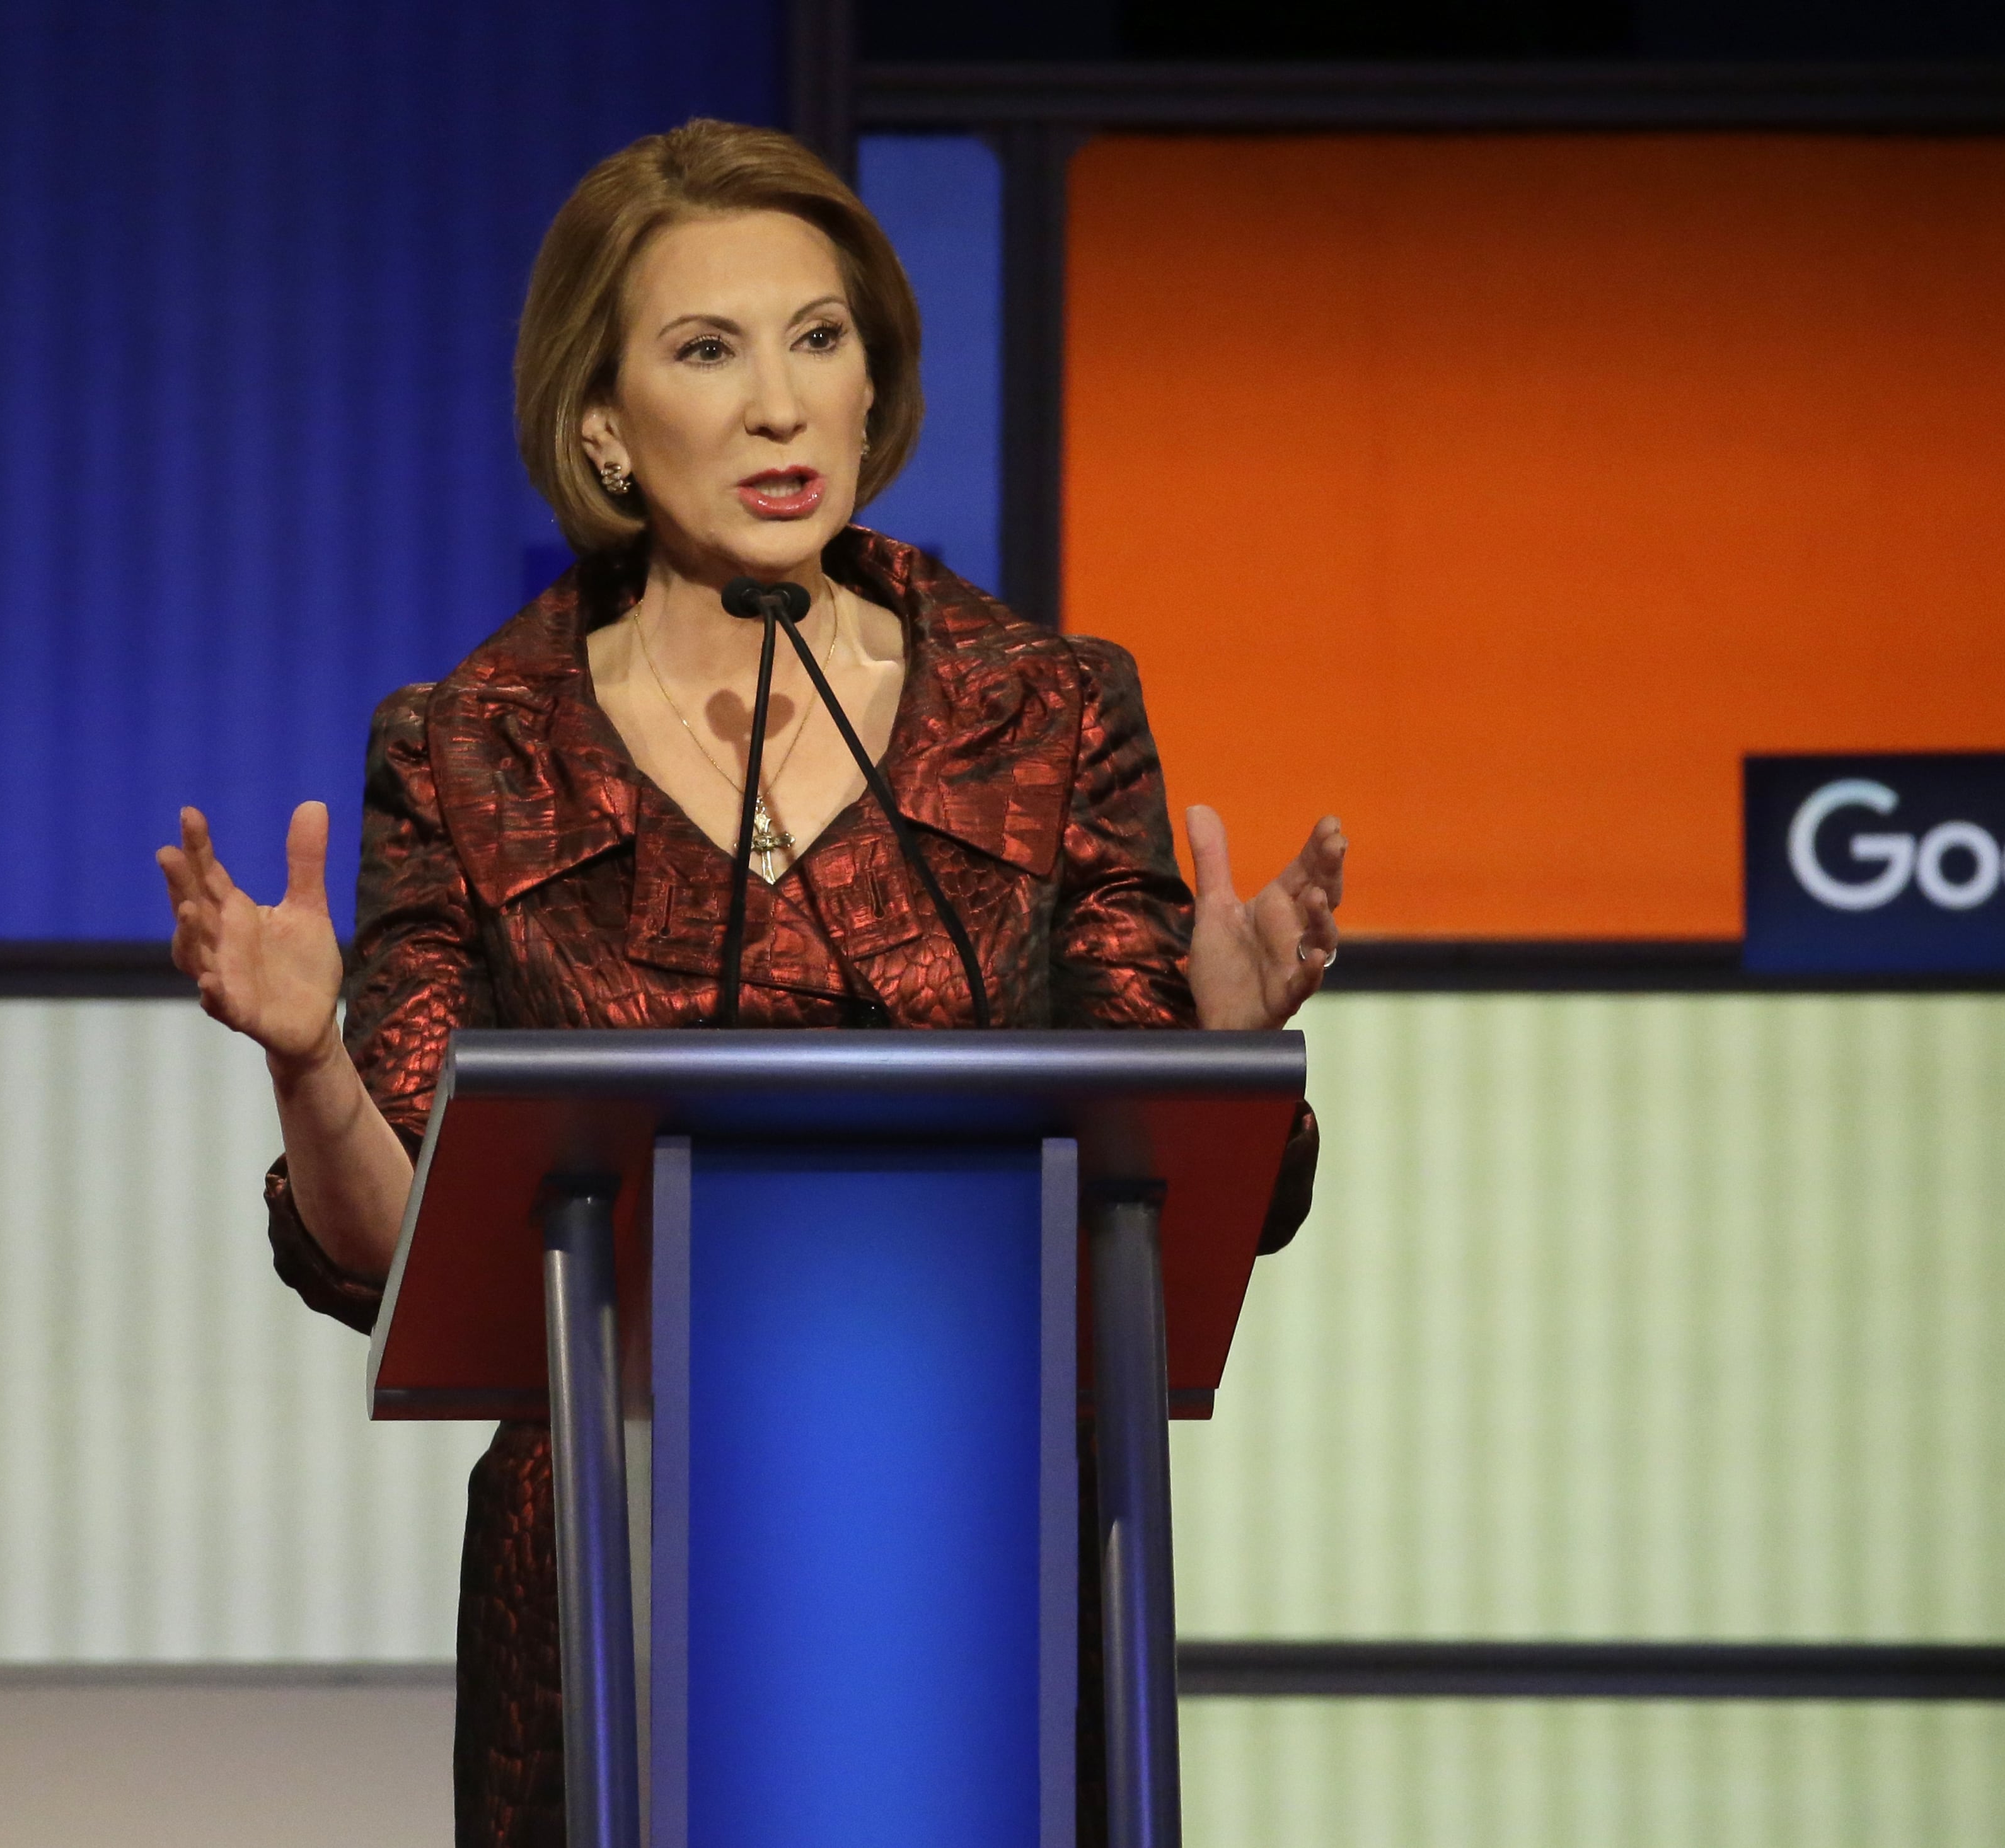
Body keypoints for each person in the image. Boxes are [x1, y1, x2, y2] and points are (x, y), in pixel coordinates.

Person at [154, 119, 1344, 1845]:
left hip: (972, 1571)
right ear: (603, 424)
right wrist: (304, 1064)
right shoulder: (479, 749)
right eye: (707, 350)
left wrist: (1231, 1051)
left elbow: (1176, 1199)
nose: (780, 405)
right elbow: (389, 1244)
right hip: (610, 1609)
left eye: (819, 336)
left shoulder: (1049, 712)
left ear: (874, 382)